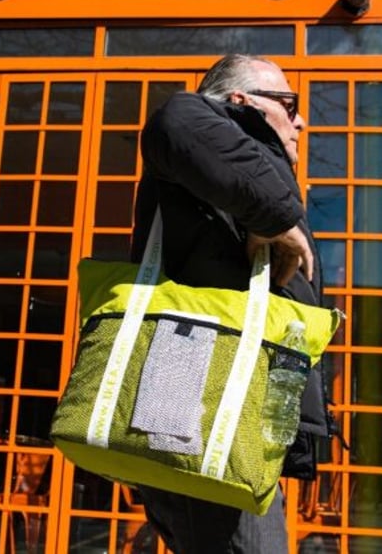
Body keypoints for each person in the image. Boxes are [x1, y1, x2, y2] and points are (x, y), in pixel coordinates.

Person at [129, 54, 327, 553]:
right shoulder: (201, 129)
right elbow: (175, 118)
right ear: (241, 103)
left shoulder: (243, 177)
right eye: (289, 103)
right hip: (195, 409)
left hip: (226, 416)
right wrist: (276, 214)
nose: (300, 120)